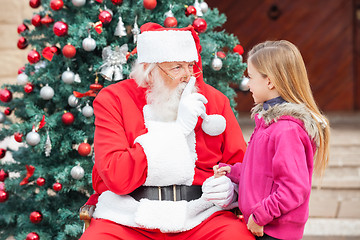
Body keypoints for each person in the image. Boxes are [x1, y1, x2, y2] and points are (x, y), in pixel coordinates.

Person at [79, 22, 255, 240]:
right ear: (149, 71)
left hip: (202, 216)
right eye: (177, 68)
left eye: (191, 66)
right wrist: (177, 130)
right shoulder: (115, 100)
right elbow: (116, 175)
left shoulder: (214, 102)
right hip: (128, 217)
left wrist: (232, 188)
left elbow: (243, 165)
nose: (188, 76)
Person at [210, 40, 330, 240]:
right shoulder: (268, 122)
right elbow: (262, 172)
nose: (247, 83)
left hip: (275, 232)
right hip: (265, 226)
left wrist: (259, 216)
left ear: (270, 81)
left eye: (251, 77)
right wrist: (232, 171)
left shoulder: (286, 129)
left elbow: (294, 188)